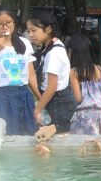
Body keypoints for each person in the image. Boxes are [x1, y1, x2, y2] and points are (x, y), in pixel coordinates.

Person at [27, 9, 77, 137]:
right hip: (56, 99)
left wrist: (37, 110)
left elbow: (52, 86)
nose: (31, 35)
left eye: (34, 30)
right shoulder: (50, 46)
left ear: (48, 29)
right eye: (28, 31)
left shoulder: (54, 52)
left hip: (59, 101)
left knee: (57, 138)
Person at [0, 5, 38, 135]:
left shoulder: (24, 42)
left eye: (8, 22)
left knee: (27, 135)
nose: (5, 27)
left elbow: (31, 75)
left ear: (14, 23)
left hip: (23, 95)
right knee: (3, 136)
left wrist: (40, 100)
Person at [67, 34, 101, 136]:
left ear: (73, 52)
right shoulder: (98, 69)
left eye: (68, 51)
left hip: (85, 116)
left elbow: (78, 99)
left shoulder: (74, 72)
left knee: (85, 147)